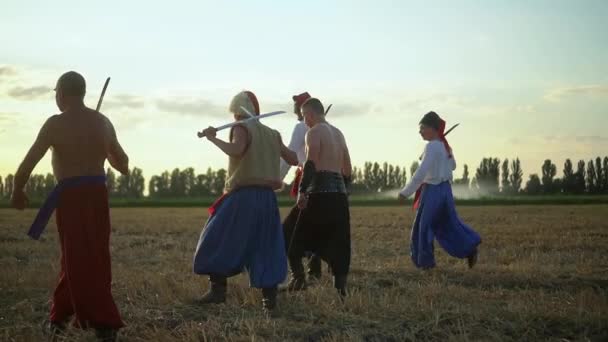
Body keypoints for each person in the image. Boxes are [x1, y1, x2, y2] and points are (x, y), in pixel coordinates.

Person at [11, 71, 128, 341]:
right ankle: (61, 314)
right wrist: (105, 149)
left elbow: (28, 162)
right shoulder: (103, 122)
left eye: (55, 93)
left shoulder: (54, 124)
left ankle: (104, 322)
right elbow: (123, 165)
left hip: (72, 198)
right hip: (97, 195)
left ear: (62, 93)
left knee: (76, 256)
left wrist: (18, 189)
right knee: (92, 256)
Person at [194, 90, 298, 313]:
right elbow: (293, 159)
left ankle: (218, 291)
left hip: (243, 196)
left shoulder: (241, 128)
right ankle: (269, 302)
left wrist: (213, 138)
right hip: (268, 199)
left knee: (217, 237)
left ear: (237, 112)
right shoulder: (273, 133)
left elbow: (237, 150)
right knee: (266, 245)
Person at [284, 97, 352, 296]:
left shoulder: (313, 133)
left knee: (289, 232)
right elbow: (347, 169)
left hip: (318, 194)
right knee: (338, 241)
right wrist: (344, 190)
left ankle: (298, 279)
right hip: (339, 196)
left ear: (311, 114)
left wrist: (303, 192)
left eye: (305, 116)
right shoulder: (339, 134)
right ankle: (340, 289)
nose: (304, 121)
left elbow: (310, 164)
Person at [398, 111, 481, 270]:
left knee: (423, 227)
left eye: (422, 127)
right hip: (446, 191)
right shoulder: (444, 146)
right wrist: (441, 156)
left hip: (432, 191)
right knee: (450, 223)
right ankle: (470, 248)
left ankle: (426, 265)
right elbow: (453, 166)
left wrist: (405, 192)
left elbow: (421, 173)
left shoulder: (432, 146)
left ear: (432, 128)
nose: (420, 131)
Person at [280, 92, 323, 285]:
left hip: (308, 180)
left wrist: (276, 179)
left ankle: (298, 277)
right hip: (328, 184)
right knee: (315, 225)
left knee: (291, 230)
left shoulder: (300, 128)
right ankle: (314, 270)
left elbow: (290, 157)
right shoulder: (330, 129)